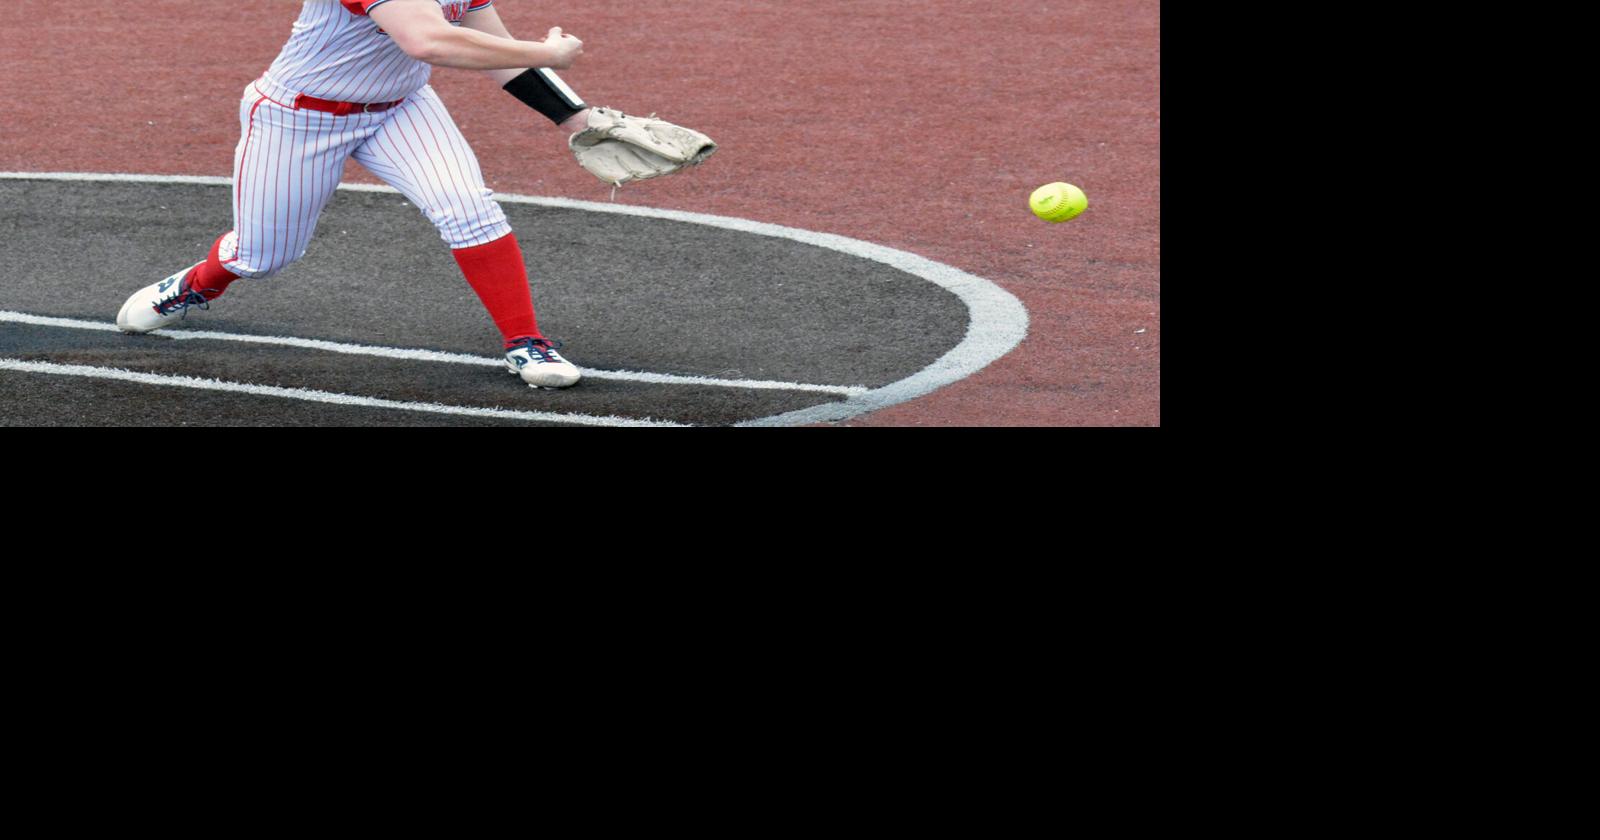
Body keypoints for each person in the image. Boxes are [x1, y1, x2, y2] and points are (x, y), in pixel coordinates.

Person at [115, 0, 595, 389]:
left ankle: (526, 341)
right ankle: (199, 283)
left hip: (401, 108)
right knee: (262, 256)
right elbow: (426, 40)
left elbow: (502, 53)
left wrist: (579, 119)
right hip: (298, 117)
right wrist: (547, 52)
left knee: (469, 208)